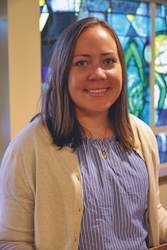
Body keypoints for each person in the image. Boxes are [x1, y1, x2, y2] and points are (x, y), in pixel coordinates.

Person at [0, 17, 166, 250]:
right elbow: (11, 241)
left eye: (108, 61)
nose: (98, 74)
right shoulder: (29, 146)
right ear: (62, 72)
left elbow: (150, 215)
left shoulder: (142, 134)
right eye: (81, 63)